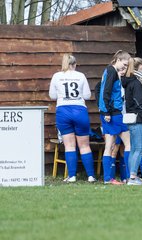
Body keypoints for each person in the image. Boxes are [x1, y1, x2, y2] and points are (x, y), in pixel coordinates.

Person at [49, 54, 96, 183]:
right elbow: (86, 95)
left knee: (69, 146)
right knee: (84, 145)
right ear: (74, 64)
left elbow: (52, 95)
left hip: (63, 111)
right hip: (79, 110)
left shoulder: (57, 76)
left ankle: (72, 176)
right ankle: (91, 176)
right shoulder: (80, 76)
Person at [98, 50, 131, 185]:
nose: (125, 68)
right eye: (123, 64)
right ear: (117, 59)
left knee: (109, 146)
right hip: (114, 113)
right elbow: (105, 91)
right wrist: (106, 112)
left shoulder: (109, 71)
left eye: (126, 66)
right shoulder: (111, 71)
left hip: (110, 113)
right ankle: (131, 177)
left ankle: (108, 179)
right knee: (129, 144)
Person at [122, 57, 142, 185]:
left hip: (131, 117)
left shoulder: (129, 81)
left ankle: (131, 176)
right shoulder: (137, 82)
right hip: (137, 118)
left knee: (134, 148)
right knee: (139, 148)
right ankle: (133, 177)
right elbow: (140, 104)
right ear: (139, 67)